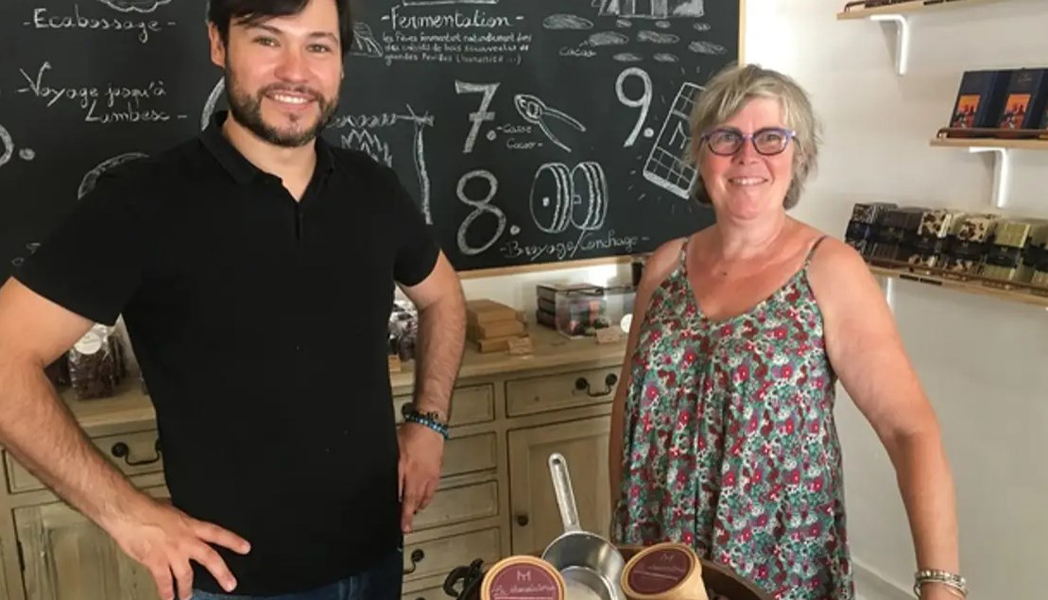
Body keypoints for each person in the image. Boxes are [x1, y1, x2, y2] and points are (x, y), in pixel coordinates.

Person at [0, 0, 466, 598]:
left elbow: (443, 298)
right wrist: (127, 515)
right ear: (219, 44)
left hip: (377, 556)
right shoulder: (142, 202)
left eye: (318, 46)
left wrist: (429, 424)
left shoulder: (373, 189)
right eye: (267, 40)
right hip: (238, 582)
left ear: (341, 62)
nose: (295, 70)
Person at [608, 64, 964, 600]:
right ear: (701, 155)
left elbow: (909, 430)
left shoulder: (829, 269)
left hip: (777, 570)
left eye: (771, 138)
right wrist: (622, 545)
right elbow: (627, 408)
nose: (747, 156)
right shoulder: (664, 268)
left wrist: (942, 585)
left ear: (798, 156)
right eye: (726, 137)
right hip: (660, 565)